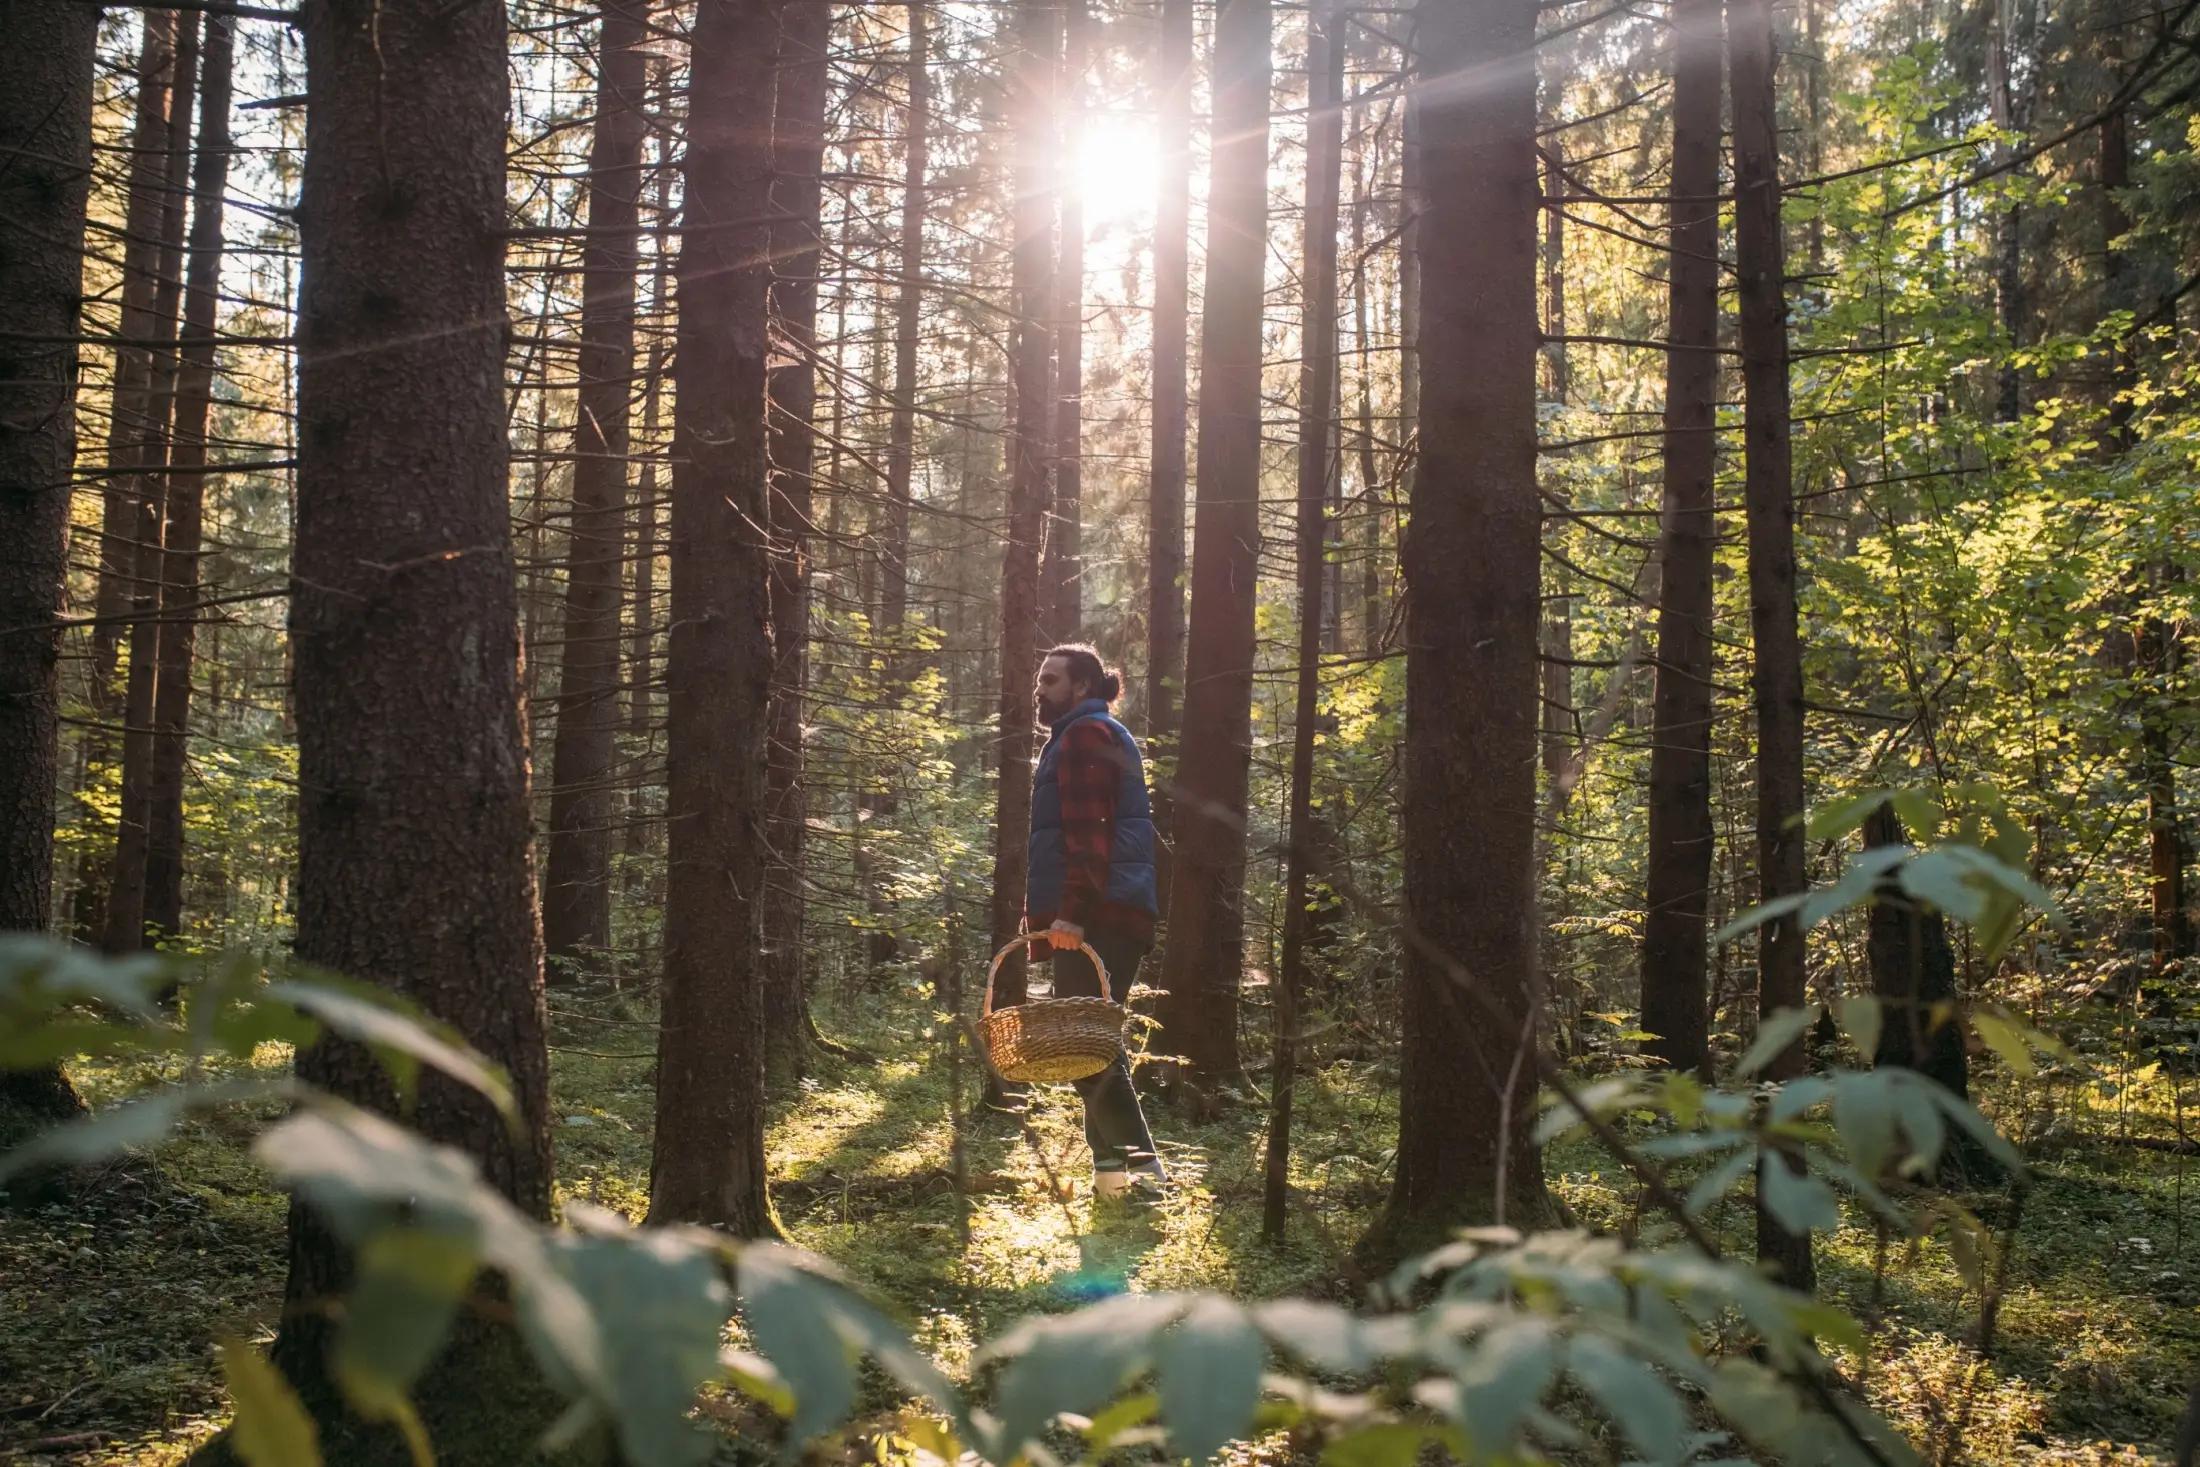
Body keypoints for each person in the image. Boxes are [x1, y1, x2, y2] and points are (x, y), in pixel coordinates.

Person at [1022, 643, 1169, 1202]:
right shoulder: (1086, 734)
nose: (1041, 689)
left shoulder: (1085, 737)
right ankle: (1112, 1180)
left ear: (1081, 686)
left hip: (1100, 914)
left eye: (1052, 680)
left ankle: (1146, 1177)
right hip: (1106, 910)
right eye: (1041, 679)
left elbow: (1090, 837)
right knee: (1092, 1047)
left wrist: (1071, 913)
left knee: (1090, 1049)